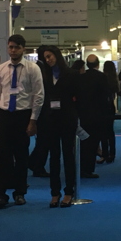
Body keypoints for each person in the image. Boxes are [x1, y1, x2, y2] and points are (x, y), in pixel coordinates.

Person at [0, 35, 44, 209]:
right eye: (10, 47)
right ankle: (1, 194)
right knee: (2, 157)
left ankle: (20, 192)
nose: (13, 50)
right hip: (4, 115)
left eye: (16, 47)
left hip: (23, 115)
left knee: (21, 157)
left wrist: (33, 120)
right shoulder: (1, 69)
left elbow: (38, 95)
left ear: (23, 49)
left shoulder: (32, 68)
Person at [43, 46, 79, 208]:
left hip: (67, 118)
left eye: (50, 56)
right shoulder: (45, 75)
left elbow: (78, 97)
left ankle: (69, 191)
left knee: (68, 155)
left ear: (57, 55)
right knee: (54, 157)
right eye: (46, 57)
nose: (48, 59)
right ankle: (54, 192)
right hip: (51, 120)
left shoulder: (71, 74)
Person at [76, 54, 111, 178]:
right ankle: (89, 169)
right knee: (93, 142)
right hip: (97, 115)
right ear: (98, 64)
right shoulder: (102, 77)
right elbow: (106, 96)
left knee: (84, 142)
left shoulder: (81, 77)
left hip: (83, 114)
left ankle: (81, 168)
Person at [28, 45, 51, 178]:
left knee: (43, 140)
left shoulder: (38, 67)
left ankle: (34, 162)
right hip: (43, 110)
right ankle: (37, 165)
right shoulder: (42, 69)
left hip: (40, 109)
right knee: (44, 140)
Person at [101, 60, 119, 164]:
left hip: (103, 107)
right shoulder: (114, 79)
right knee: (110, 131)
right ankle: (112, 154)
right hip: (111, 106)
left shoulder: (103, 78)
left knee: (103, 132)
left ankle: (105, 154)